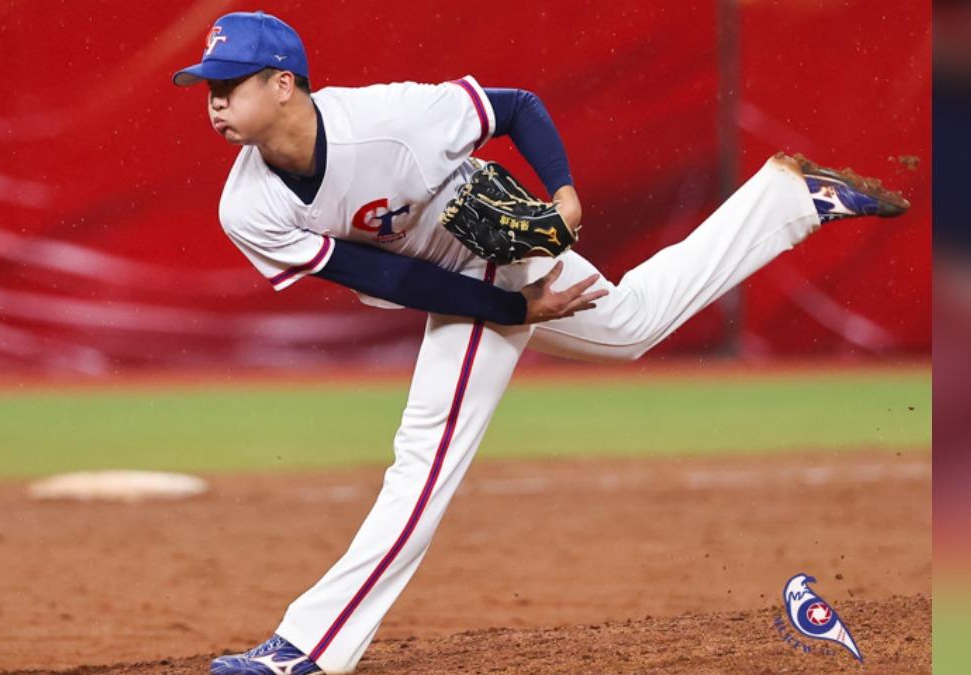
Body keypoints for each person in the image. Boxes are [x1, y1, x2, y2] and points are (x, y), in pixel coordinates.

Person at [172, 11, 909, 675]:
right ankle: (788, 201)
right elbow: (384, 276)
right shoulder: (247, 207)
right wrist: (512, 309)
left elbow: (515, 107)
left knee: (425, 455)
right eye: (208, 87)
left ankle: (309, 645)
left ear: (284, 84)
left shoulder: (391, 119)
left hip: (493, 245)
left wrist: (563, 193)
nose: (213, 101)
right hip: (469, 283)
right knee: (629, 327)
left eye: (229, 84)